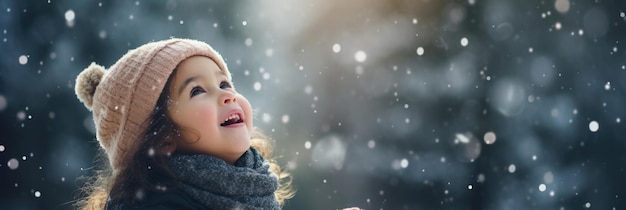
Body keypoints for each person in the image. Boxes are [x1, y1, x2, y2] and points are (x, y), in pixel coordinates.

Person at [73, 38, 294, 210]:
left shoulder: (257, 189)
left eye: (224, 83)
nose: (228, 96)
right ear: (162, 138)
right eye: (197, 90)